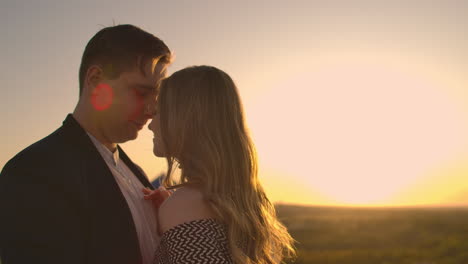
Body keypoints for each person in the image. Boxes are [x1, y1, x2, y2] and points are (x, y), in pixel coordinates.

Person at [0, 24, 172, 264]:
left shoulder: (136, 174)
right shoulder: (35, 171)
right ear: (95, 79)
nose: (152, 109)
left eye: (156, 97)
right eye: (142, 93)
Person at [144, 66, 296, 264]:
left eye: (157, 112)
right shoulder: (239, 199)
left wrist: (179, 209)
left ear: (182, 120)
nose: (150, 124)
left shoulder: (185, 206)